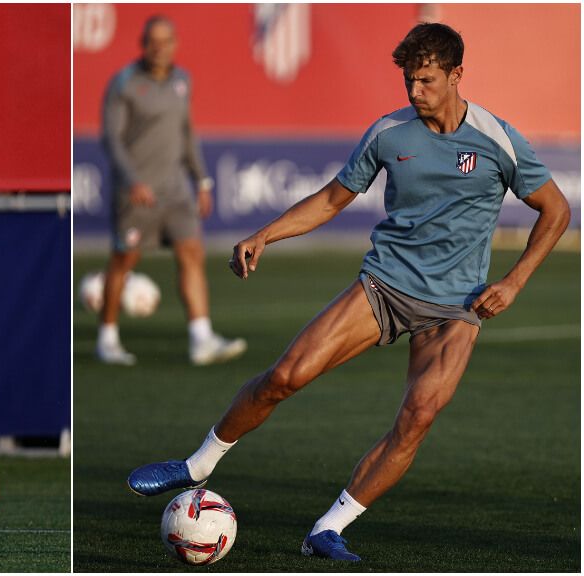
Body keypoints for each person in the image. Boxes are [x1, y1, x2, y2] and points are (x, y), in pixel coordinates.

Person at [127, 22, 570, 561]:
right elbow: (331, 199)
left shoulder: (498, 139)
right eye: (408, 80)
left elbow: (556, 209)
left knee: (419, 416)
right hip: (385, 285)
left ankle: (329, 528)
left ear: (457, 75)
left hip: (458, 306)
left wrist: (514, 281)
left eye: (427, 80)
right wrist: (265, 234)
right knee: (284, 377)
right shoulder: (389, 132)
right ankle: (195, 465)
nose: (414, 91)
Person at [97, 15, 246, 366]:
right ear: (143, 43)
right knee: (123, 262)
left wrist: (203, 180)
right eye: (153, 41)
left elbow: (187, 134)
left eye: (166, 41)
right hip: (137, 193)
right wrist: (133, 180)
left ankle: (201, 338)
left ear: (175, 44)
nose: (159, 47)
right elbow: (112, 140)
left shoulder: (182, 81)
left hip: (176, 190)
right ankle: (107, 337)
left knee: (191, 253)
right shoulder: (125, 84)